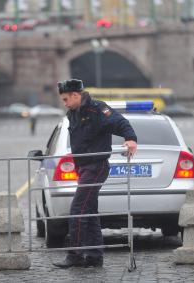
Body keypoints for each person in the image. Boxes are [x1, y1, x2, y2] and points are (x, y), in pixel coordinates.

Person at [52, 79, 137, 269]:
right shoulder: (73, 113)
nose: (64, 103)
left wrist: (131, 139)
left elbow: (120, 122)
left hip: (96, 167)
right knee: (89, 211)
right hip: (83, 168)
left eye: (66, 99)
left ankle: (75, 255)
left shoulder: (97, 109)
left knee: (78, 209)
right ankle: (94, 256)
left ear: (76, 95)